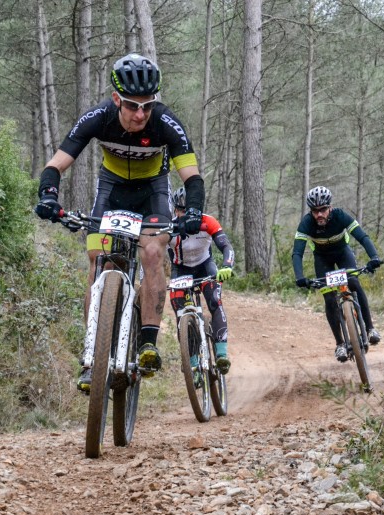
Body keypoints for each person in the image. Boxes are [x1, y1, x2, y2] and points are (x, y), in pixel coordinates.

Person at [34, 53, 205, 392]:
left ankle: (147, 343)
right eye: (131, 105)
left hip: (152, 192)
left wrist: (195, 212)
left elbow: (192, 177)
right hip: (110, 190)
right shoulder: (99, 117)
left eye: (148, 105)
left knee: (154, 253)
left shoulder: (166, 123)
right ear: (116, 99)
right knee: (98, 260)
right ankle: (92, 356)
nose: (141, 114)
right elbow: (56, 164)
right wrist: (49, 195)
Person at [292, 186, 383, 362]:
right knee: (329, 298)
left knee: (354, 283)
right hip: (322, 259)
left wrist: (374, 257)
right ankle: (340, 344)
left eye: (323, 210)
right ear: (311, 211)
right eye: (315, 211)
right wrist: (299, 276)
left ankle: (370, 328)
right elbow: (297, 253)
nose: (319, 214)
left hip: (343, 253)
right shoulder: (306, 224)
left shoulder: (341, 216)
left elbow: (362, 237)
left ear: (330, 208)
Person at [167, 187, 234, 375]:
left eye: (185, 211)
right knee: (181, 313)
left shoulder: (208, 222)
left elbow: (226, 246)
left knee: (214, 300)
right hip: (180, 270)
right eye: (178, 210)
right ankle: (193, 363)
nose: (181, 215)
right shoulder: (169, 227)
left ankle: (221, 355)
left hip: (205, 266)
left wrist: (227, 265)